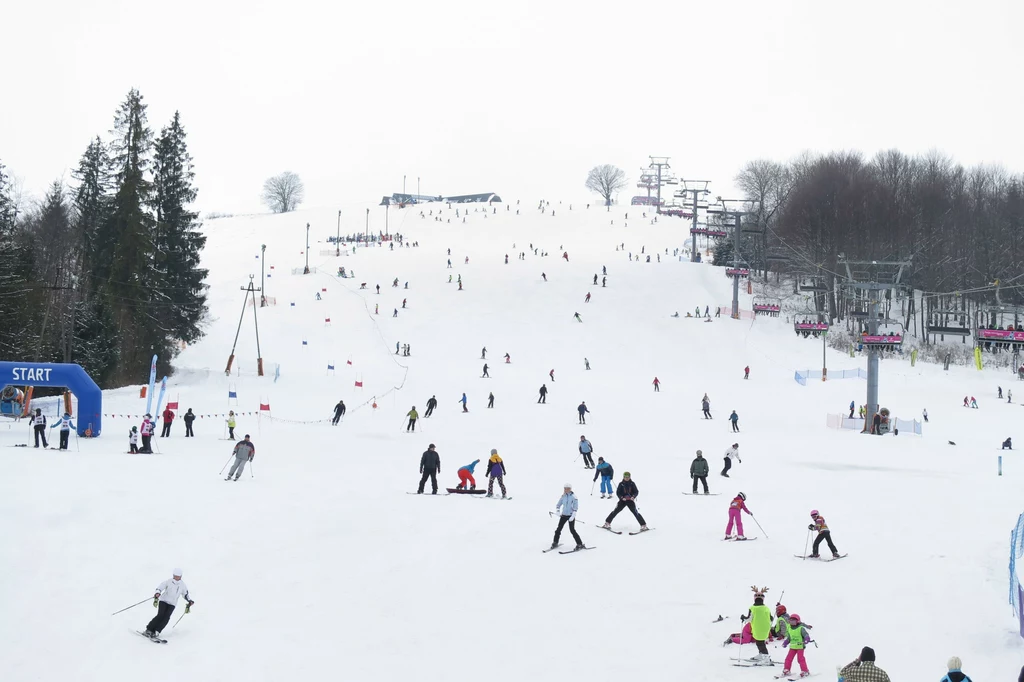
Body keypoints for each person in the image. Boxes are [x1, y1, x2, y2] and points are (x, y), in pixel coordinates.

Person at [144, 568, 194, 639]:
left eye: (178, 576)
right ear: (173, 575)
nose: (177, 578)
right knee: (160, 615)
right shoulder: (168, 581)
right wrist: (157, 593)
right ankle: (149, 629)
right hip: (163, 600)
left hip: (172, 604)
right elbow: (160, 587)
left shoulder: (182, 585)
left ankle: (157, 631)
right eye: (175, 576)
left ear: (181, 576)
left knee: (166, 617)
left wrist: (189, 600)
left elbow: (185, 594)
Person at [552, 483, 585, 550]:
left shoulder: (574, 497)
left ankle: (580, 544)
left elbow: (575, 508)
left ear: (570, 489)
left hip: (570, 516)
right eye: (565, 488)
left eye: (567, 488)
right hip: (563, 515)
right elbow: (558, 505)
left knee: (572, 530)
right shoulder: (563, 496)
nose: (566, 490)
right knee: (558, 529)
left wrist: (573, 516)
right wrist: (558, 511)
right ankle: (555, 542)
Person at [745, 587, 773, 665]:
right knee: (760, 642)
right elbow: (771, 618)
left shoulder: (752, 608)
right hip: (765, 628)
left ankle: (766, 657)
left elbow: (749, 619)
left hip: (757, 628)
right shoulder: (766, 608)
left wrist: (744, 618)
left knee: (760, 643)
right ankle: (762, 655)